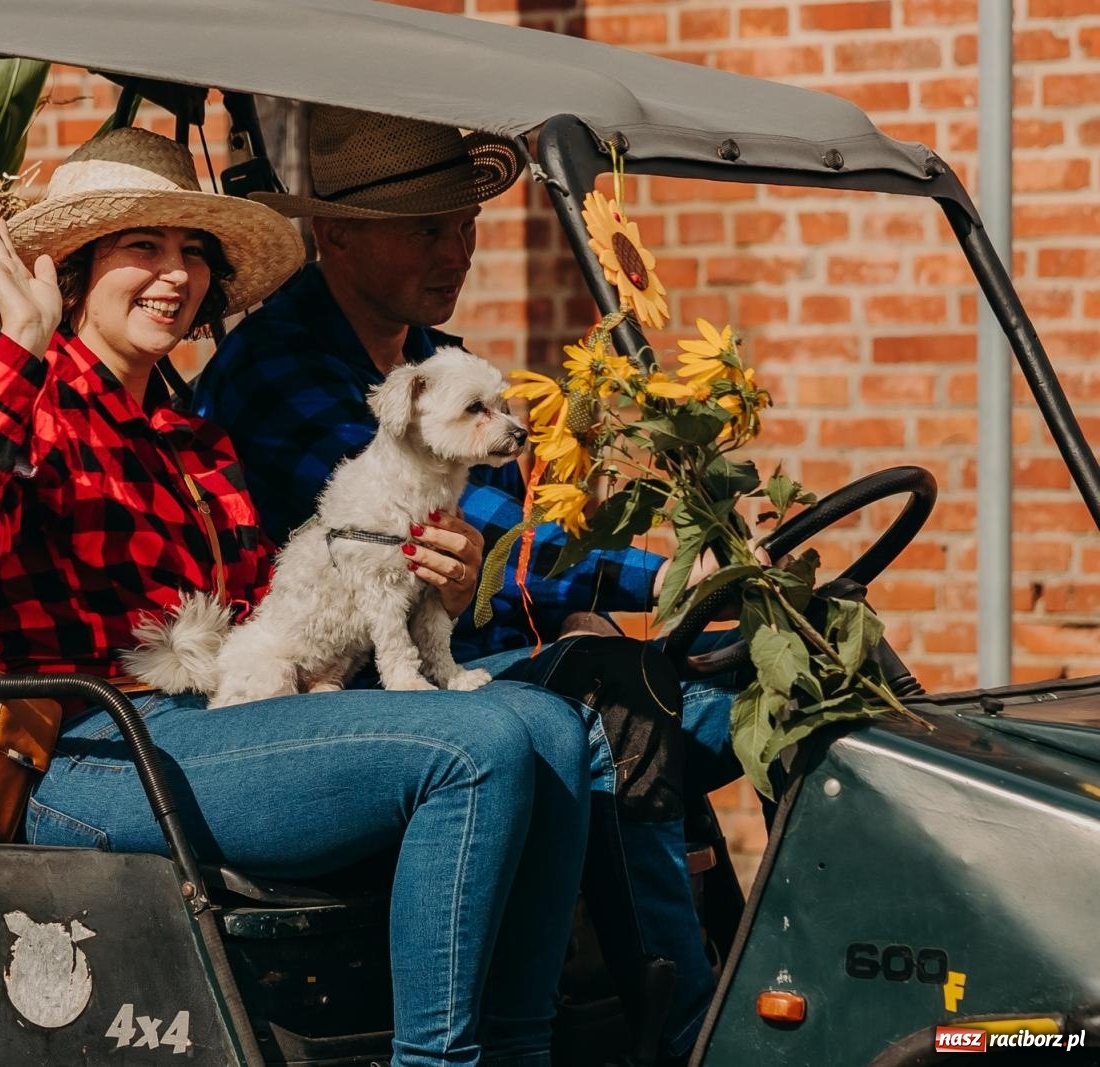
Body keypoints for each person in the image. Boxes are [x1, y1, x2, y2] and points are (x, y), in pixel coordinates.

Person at [0, 127, 595, 1066]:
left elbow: (280, 603)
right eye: (142, 248)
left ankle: (523, 1052)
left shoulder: (193, 432)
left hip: (226, 710)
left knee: (551, 721)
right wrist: (21, 341)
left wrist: (442, 584)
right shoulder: (32, 405)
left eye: (192, 253)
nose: (173, 276)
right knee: (477, 745)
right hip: (91, 749)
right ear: (73, 272)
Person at [195, 105, 738, 1057]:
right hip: (345, 684)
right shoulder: (283, 370)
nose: (459, 251)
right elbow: (455, 534)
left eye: (464, 225)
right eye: (426, 229)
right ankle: (686, 1034)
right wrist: (661, 575)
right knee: (626, 708)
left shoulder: (425, 360)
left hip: (447, 660)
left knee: (722, 691)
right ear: (336, 234)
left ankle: (728, 987)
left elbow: (509, 527)